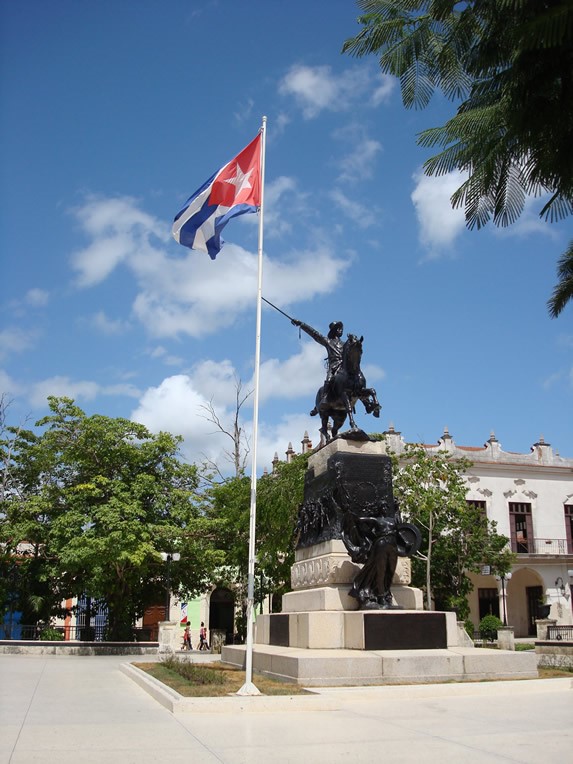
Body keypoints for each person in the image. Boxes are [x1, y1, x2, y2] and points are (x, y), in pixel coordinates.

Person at [291, 318, 344, 415]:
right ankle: (324, 399)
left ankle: (367, 402)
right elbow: (314, 334)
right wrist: (301, 324)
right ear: (334, 331)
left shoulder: (345, 344)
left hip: (345, 367)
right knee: (328, 380)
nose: (341, 330)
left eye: (341, 328)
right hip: (334, 367)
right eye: (338, 328)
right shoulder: (328, 341)